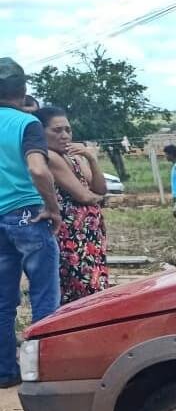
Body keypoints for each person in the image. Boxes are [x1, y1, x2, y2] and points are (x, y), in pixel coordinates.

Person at [0, 58, 61, 388]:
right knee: (44, 296)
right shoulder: (27, 123)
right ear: (23, 90)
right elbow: (38, 169)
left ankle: (5, 371)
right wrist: (52, 208)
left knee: (2, 302)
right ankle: (44, 372)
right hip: (27, 214)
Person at [35, 106, 109, 303]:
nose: (65, 135)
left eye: (68, 130)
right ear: (41, 132)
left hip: (88, 233)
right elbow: (84, 196)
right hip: (70, 234)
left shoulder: (74, 157)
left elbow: (100, 188)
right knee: (79, 285)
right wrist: (98, 199)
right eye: (57, 130)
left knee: (93, 282)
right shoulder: (49, 156)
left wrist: (91, 158)